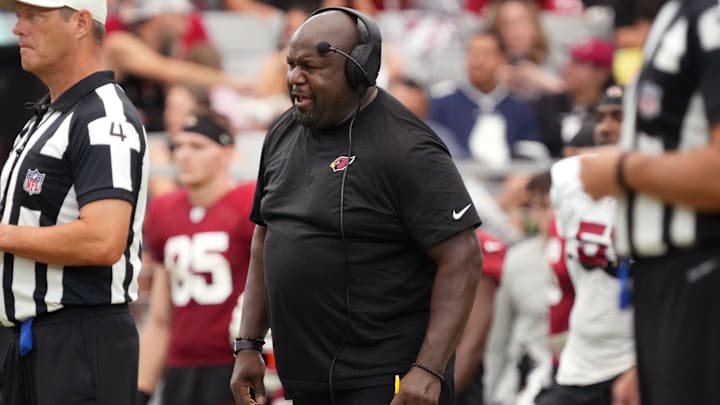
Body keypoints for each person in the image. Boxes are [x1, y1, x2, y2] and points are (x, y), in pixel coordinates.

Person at [230, 7, 483, 405]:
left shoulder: (408, 147)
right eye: (291, 65)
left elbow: (463, 257)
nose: (295, 78)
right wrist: (248, 343)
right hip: (307, 381)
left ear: (357, 71)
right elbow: (266, 236)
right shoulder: (282, 131)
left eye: (310, 67)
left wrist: (429, 369)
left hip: (388, 382)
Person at [0, 1, 148, 404]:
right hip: (32, 338)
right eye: (18, 16)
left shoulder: (104, 115)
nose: (18, 29)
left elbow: (103, 240)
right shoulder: (48, 115)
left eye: (34, 16)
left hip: (80, 339)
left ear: (81, 22)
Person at [579, 1, 720, 404]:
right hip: (668, 283)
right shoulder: (678, 17)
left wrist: (621, 172)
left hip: (701, 274)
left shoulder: (709, 17)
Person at [138, 113, 256, 405]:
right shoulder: (163, 212)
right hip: (180, 367)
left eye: (198, 146)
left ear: (228, 153)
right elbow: (160, 318)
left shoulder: (249, 203)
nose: (185, 155)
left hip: (234, 363)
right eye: (179, 146)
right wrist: (141, 389)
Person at [539, 85, 638, 405]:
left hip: (640, 360)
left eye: (619, 117)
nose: (606, 127)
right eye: (602, 117)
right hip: (581, 360)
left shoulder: (670, 186)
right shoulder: (569, 179)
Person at [483, 172, 556, 405]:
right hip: (518, 390)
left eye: (553, 206)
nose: (548, 215)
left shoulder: (591, 261)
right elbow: (497, 342)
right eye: (539, 206)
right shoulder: (516, 260)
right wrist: (490, 395)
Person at [429, 30, 546, 165]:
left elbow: (531, 158)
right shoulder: (441, 105)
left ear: (502, 59)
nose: (477, 62)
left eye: (485, 54)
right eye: (472, 53)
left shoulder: (520, 108)